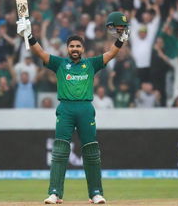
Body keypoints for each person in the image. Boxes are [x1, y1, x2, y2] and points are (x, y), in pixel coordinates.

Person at [16, 11, 129, 204]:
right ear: (67, 48)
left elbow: (110, 54)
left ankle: (95, 193)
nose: (75, 48)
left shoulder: (91, 64)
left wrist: (120, 41)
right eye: (72, 46)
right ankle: (54, 193)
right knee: (60, 151)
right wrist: (28, 35)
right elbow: (40, 52)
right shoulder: (60, 63)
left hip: (85, 109)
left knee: (91, 152)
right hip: (66, 109)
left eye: (78, 46)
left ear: (83, 49)